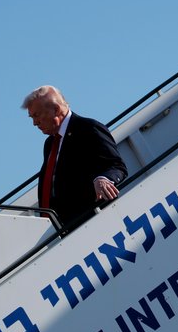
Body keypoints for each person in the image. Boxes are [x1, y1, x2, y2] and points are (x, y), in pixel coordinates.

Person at [22, 85, 128, 228]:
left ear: (56, 109)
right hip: (62, 228)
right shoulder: (50, 144)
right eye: (32, 117)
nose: (35, 123)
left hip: (92, 222)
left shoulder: (88, 128)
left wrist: (103, 178)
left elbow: (117, 166)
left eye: (36, 115)